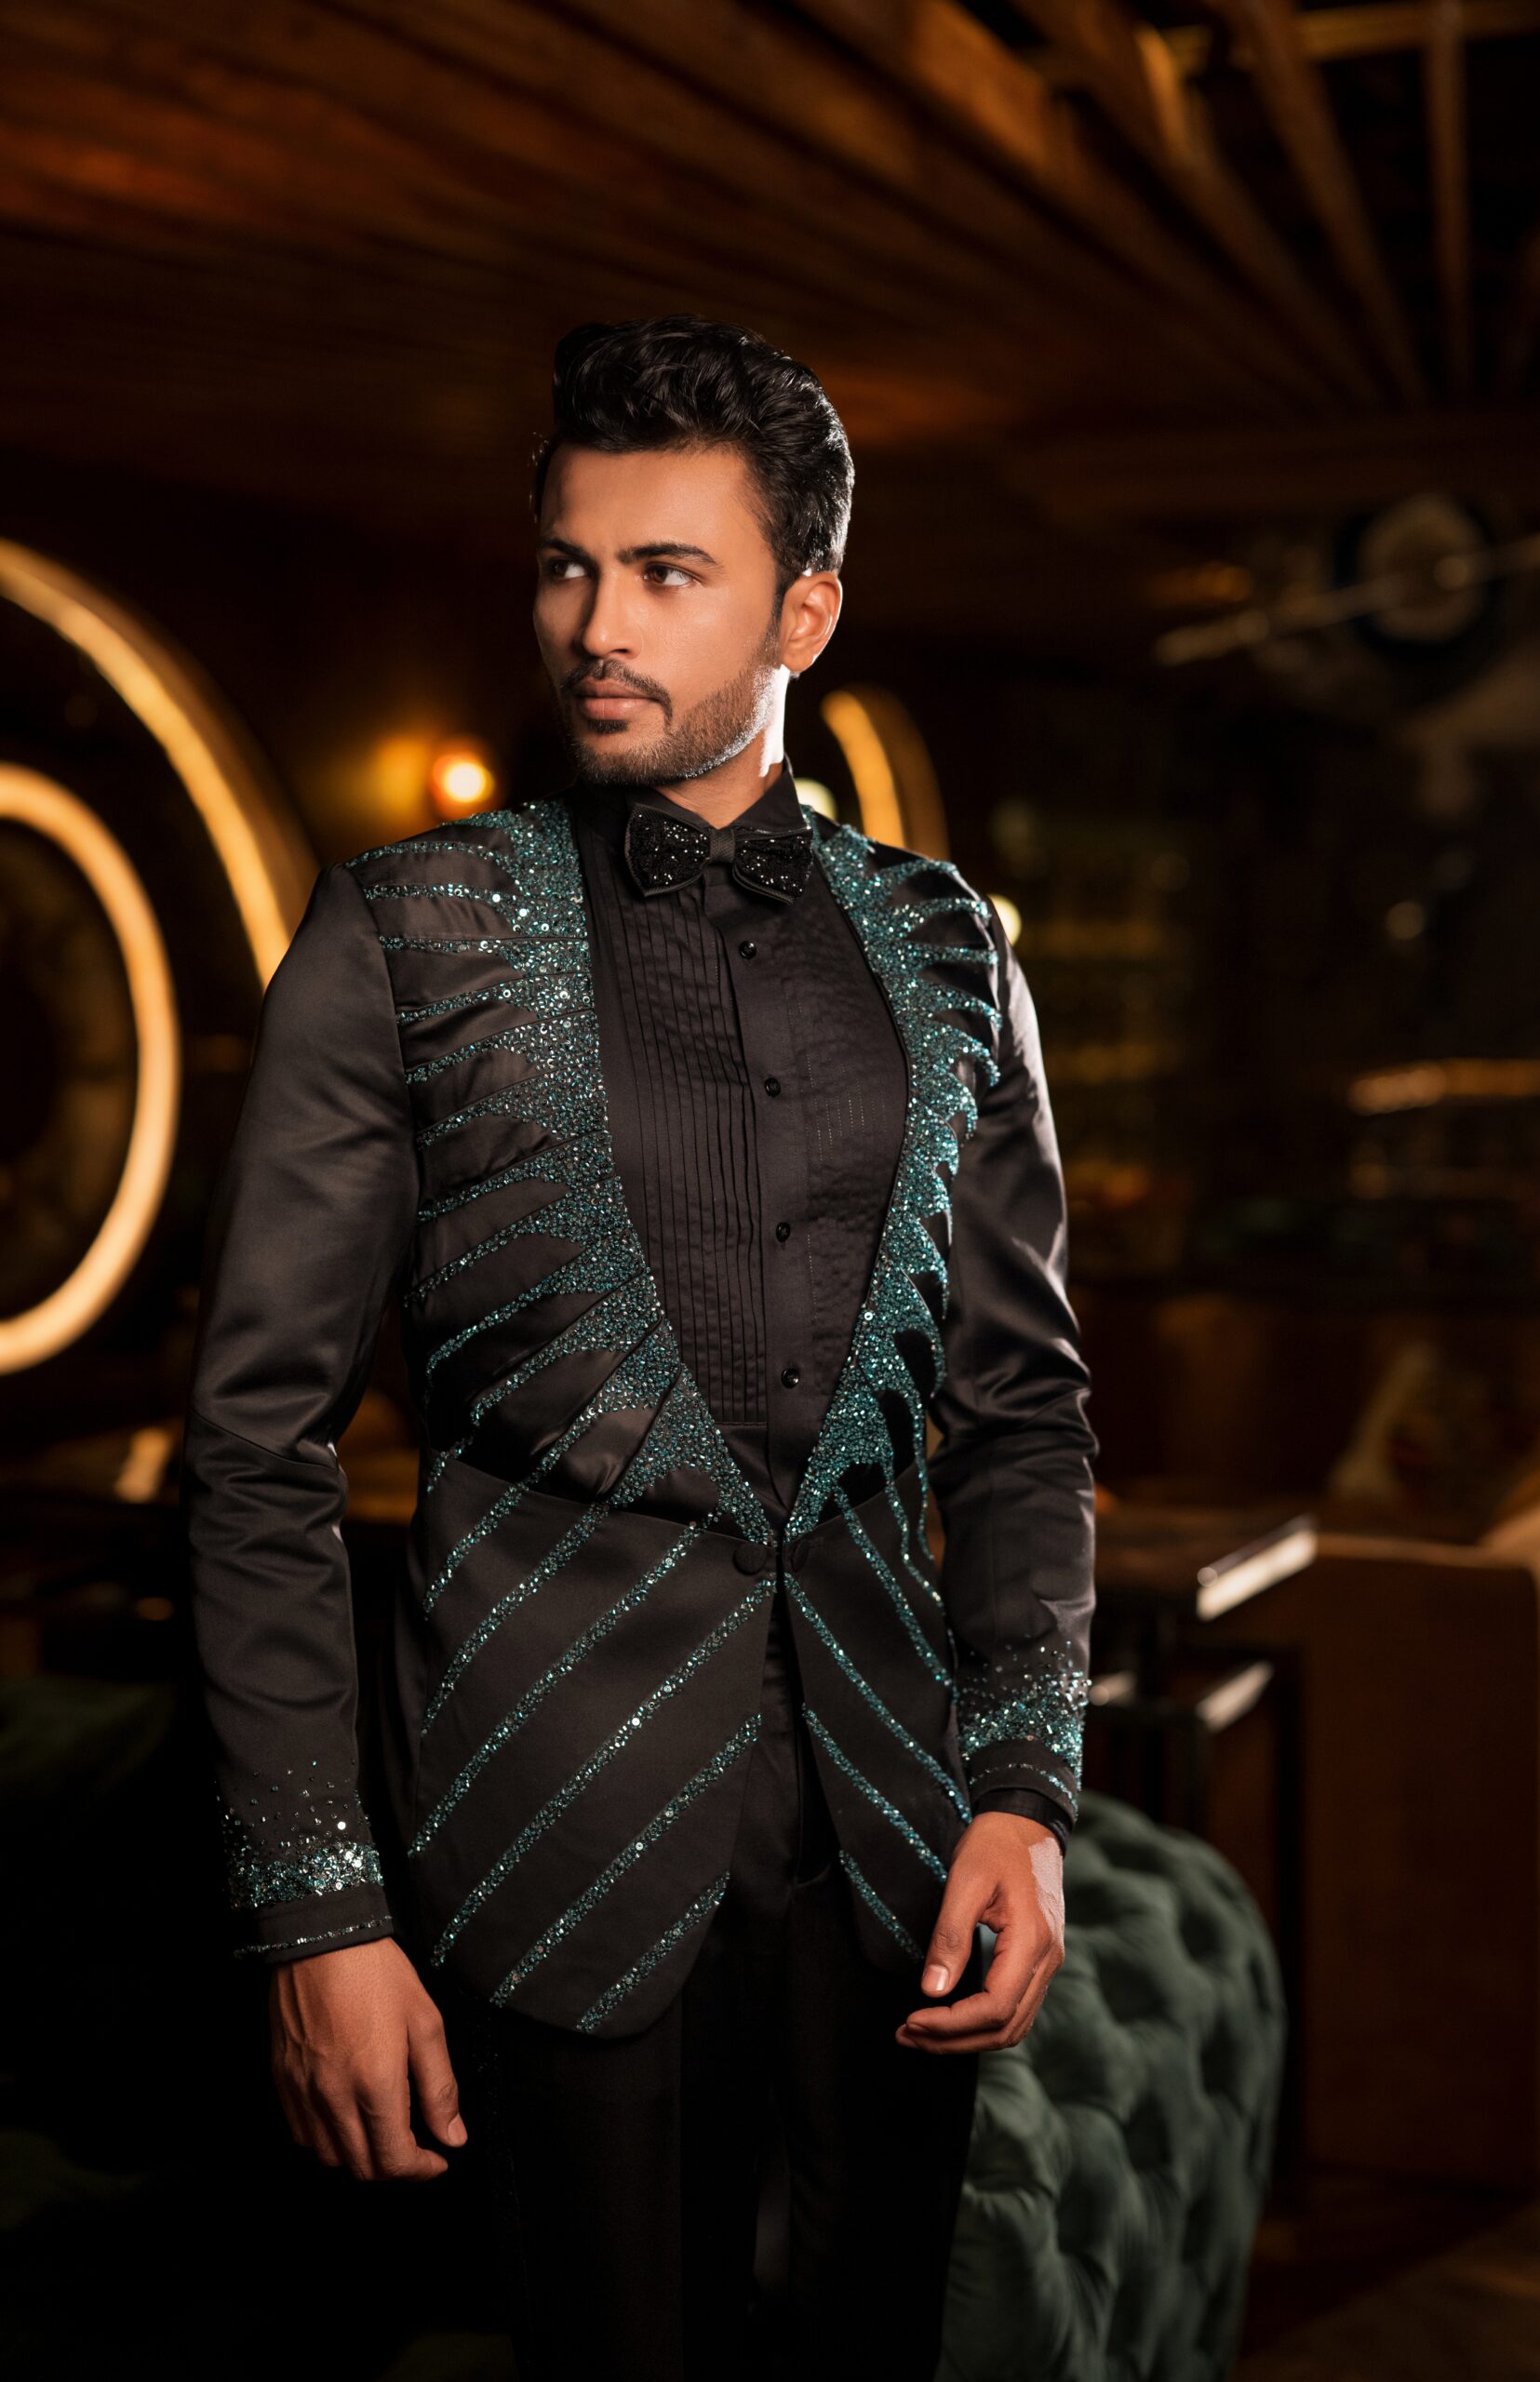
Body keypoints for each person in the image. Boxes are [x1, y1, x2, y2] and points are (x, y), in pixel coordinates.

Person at [181, 313, 1098, 2380]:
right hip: (542, 1850)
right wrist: (319, 1912)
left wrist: (1026, 1790)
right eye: (568, 566)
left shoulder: (951, 946)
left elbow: (1024, 1413)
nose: (596, 624)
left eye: (667, 573)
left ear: (804, 611)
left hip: (895, 1856)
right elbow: (254, 1448)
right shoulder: (400, 932)